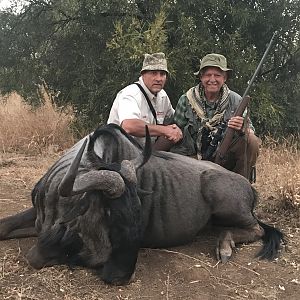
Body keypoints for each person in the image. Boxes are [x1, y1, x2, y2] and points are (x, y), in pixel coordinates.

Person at [171, 53, 260, 181]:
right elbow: (175, 131)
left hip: (224, 158)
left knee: (251, 141)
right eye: (208, 75)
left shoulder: (236, 101)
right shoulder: (186, 99)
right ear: (201, 77)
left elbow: (251, 130)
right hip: (191, 160)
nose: (212, 79)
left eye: (217, 75)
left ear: (225, 78)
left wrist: (242, 128)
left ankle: (242, 185)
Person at [107, 52, 182, 149]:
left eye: (162, 74)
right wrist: (164, 130)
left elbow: (173, 119)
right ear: (143, 74)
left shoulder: (162, 96)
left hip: (144, 153)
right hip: (118, 153)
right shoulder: (130, 94)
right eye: (153, 73)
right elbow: (129, 126)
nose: (158, 79)